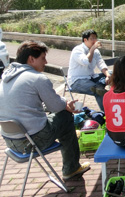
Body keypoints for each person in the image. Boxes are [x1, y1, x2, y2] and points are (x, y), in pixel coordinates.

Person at [0, 40, 90, 180]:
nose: (46, 62)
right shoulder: (37, 78)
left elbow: (28, 105)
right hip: (32, 141)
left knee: (60, 114)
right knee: (66, 116)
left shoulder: (6, 78)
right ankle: (71, 168)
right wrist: (65, 104)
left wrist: (61, 104)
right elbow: (57, 107)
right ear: (31, 59)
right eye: (43, 58)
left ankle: (71, 150)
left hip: (11, 142)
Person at [68, 29, 111, 111]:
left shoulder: (96, 51)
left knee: (113, 74)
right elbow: (85, 61)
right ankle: (106, 115)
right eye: (92, 38)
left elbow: (101, 63)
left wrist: (108, 75)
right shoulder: (78, 50)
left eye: (95, 38)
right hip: (77, 81)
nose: (95, 40)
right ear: (85, 40)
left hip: (91, 78)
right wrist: (92, 49)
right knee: (99, 92)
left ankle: (100, 86)